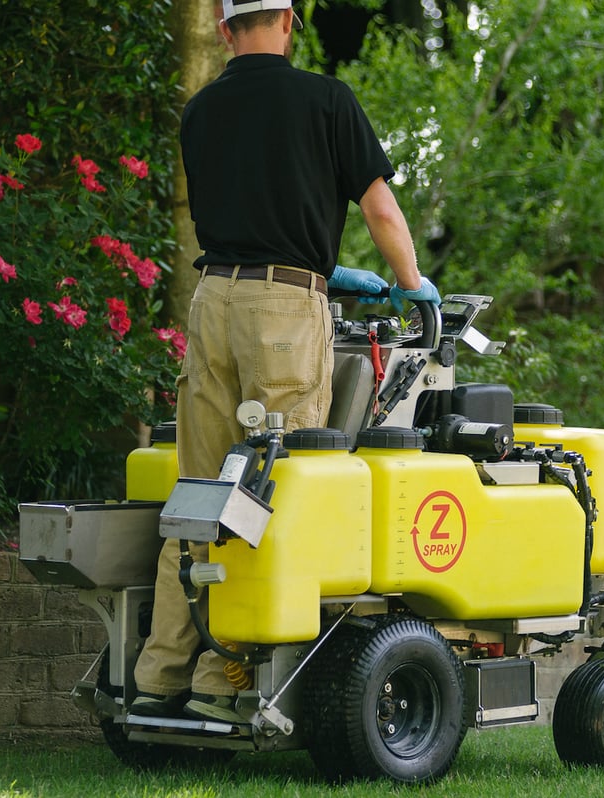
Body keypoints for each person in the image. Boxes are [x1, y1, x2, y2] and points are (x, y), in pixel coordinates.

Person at [131, 0, 441, 724]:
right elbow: (381, 212)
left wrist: (326, 269)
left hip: (211, 305)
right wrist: (410, 283)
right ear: (290, 21)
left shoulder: (201, 112)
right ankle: (224, 674)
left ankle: (159, 670)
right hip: (284, 314)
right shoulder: (328, 101)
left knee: (199, 490)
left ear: (222, 26)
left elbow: (248, 214)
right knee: (269, 491)